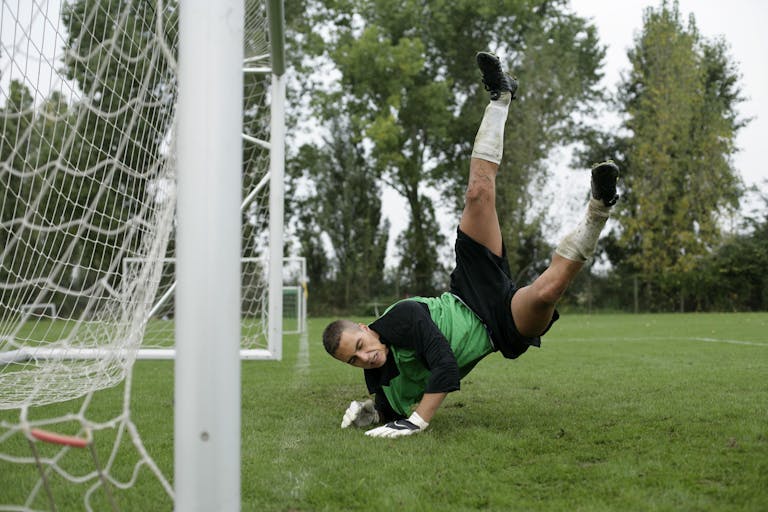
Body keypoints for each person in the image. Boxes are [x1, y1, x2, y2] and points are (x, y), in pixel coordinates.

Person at [322, 51, 619, 438]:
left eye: (360, 344)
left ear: (366, 327)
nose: (365, 357)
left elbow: (443, 365)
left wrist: (416, 422)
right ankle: (600, 206)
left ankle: (500, 96)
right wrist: (371, 410)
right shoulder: (378, 374)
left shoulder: (401, 318)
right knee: (547, 291)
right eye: (354, 360)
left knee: (477, 193)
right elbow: (389, 403)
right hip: (500, 326)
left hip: (470, 290)